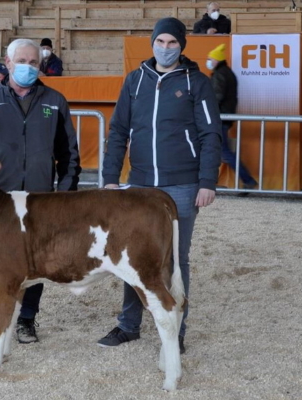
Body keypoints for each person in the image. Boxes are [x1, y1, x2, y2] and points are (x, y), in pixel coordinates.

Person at [98, 17, 222, 354]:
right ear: (152, 43)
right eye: (160, 42)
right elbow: (118, 131)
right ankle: (128, 325)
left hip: (182, 184)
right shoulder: (135, 80)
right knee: (131, 256)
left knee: (175, 259)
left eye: (172, 43)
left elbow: (211, 134)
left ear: (182, 46)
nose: (165, 48)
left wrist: (207, 181)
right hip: (139, 184)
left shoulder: (197, 83)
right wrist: (110, 178)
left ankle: (176, 329)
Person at [0, 38, 80, 344]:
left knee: (35, 260)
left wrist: (64, 194)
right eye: (22, 61)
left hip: (40, 198)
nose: (28, 67)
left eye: (33, 62)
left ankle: (27, 319)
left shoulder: (55, 102)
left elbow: (69, 153)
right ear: (7, 63)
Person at [206, 44, 257, 190]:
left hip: (219, 118)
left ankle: (248, 180)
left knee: (224, 152)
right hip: (223, 118)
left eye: (210, 58)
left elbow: (217, 96)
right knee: (221, 152)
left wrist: (208, 111)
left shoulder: (220, 74)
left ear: (216, 60)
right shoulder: (226, 72)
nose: (208, 61)